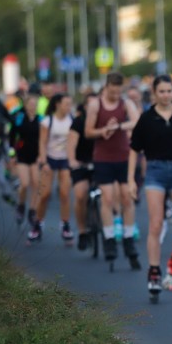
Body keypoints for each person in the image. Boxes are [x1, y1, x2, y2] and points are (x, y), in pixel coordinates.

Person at [128, 74, 172, 303]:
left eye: (170, 91)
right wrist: (131, 179)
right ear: (154, 93)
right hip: (156, 171)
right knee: (156, 223)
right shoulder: (147, 118)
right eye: (162, 91)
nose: (166, 95)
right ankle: (154, 272)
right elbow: (134, 149)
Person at [84, 72, 141, 268]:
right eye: (113, 91)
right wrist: (103, 131)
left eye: (119, 91)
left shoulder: (125, 103)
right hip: (103, 157)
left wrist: (119, 127)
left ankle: (128, 237)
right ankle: (109, 239)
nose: (116, 95)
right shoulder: (95, 105)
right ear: (106, 87)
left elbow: (137, 121)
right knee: (108, 199)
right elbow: (88, 131)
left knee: (127, 198)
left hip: (123, 155)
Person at [32, 93, 75, 245]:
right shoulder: (47, 121)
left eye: (70, 104)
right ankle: (38, 223)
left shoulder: (71, 120)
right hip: (50, 158)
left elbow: (74, 141)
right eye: (66, 104)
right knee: (45, 194)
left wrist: (73, 160)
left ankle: (65, 224)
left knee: (64, 193)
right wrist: (44, 162)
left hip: (65, 159)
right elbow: (42, 143)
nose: (69, 107)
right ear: (57, 104)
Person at [68, 93, 97, 251]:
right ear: (85, 107)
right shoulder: (78, 122)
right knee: (80, 194)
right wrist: (73, 161)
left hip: (100, 163)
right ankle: (82, 231)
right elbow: (71, 144)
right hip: (81, 163)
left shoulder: (103, 121)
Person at [8, 94, 41, 226]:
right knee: (25, 183)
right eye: (30, 104)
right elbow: (12, 136)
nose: (32, 106)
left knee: (36, 184)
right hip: (22, 154)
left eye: (35, 104)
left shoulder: (41, 119)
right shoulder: (19, 119)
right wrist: (12, 154)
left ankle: (32, 210)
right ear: (26, 105)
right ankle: (21, 205)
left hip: (36, 155)